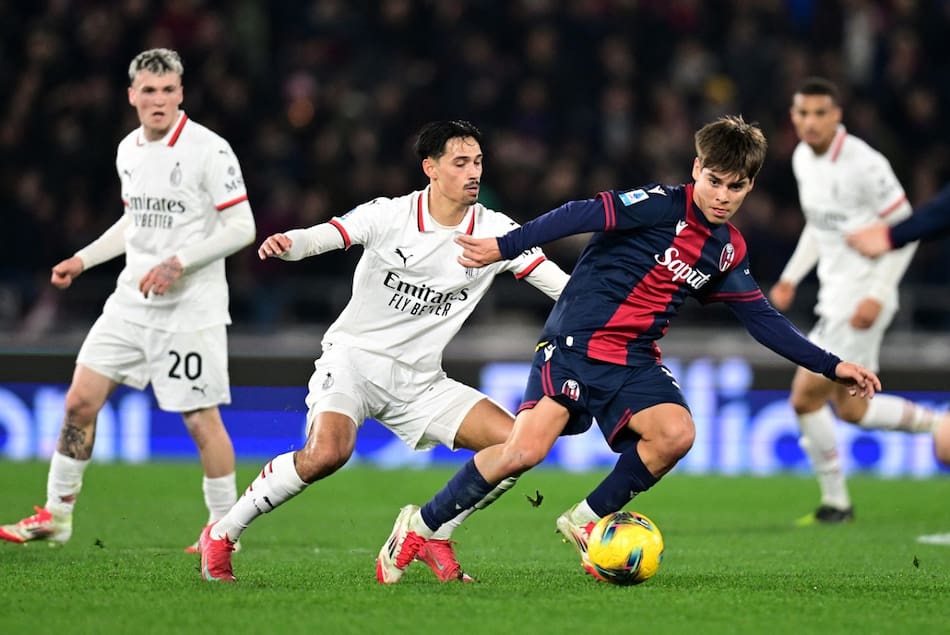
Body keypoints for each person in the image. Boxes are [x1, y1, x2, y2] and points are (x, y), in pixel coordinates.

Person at [374, 115, 882, 584]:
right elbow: (579, 213)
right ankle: (420, 526)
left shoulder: (726, 250)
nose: (723, 196)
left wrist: (832, 365)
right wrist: (505, 247)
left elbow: (763, 320)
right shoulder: (659, 204)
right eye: (715, 181)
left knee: (676, 433)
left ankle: (585, 520)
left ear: (750, 185)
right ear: (697, 169)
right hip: (575, 344)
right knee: (524, 451)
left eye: (736, 187)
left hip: (634, 359)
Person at [198, 120, 570, 583]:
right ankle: (224, 532)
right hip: (353, 362)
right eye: (460, 163)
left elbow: (562, 286)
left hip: (421, 381)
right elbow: (327, 235)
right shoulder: (390, 215)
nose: (474, 172)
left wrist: (615, 314)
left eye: (478, 162)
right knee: (327, 453)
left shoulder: (496, 231)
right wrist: (290, 244)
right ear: (430, 168)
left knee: (519, 446)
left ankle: (433, 532)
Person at [0, 49, 256, 550]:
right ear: (132, 95)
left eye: (168, 90)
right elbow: (135, 222)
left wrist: (179, 262)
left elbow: (241, 227)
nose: (159, 100)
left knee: (200, 421)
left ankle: (223, 531)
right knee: (79, 402)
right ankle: (56, 514)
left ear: (181, 93)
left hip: (189, 309)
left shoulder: (209, 149)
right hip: (131, 302)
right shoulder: (128, 150)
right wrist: (84, 259)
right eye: (149, 91)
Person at [767, 78, 950, 526]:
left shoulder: (865, 164)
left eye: (819, 113)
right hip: (834, 295)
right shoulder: (802, 159)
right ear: (793, 117)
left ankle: (837, 504)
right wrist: (791, 276)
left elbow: (905, 229)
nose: (810, 122)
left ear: (837, 116)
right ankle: (937, 424)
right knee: (853, 409)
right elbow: (819, 226)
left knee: (804, 397)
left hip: (860, 298)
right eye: (803, 113)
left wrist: (879, 293)